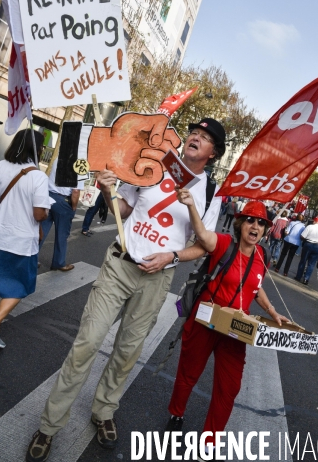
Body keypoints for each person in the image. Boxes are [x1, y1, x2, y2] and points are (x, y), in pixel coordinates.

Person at [26, 117, 225, 462]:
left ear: (213, 153)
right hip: (120, 264)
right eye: (194, 131)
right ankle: (49, 424)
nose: (195, 137)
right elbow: (124, 208)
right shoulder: (155, 162)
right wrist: (107, 189)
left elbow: (204, 245)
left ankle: (103, 411)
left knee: (127, 351)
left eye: (205, 137)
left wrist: (171, 256)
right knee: (87, 342)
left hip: (156, 279)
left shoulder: (210, 192)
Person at [165, 197, 290, 461]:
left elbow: (254, 288)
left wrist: (272, 312)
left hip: (235, 329)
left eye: (261, 223)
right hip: (205, 320)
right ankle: (176, 413)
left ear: (266, 229)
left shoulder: (262, 256)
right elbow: (201, 234)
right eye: (250, 220)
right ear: (240, 224)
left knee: (229, 387)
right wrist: (190, 205)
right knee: (189, 373)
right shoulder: (223, 244)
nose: (255, 226)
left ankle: (210, 440)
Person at [0, 129, 49, 348]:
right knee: (20, 285)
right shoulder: (38, 177)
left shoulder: (1, 167)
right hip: (21, 241)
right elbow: (38, 214)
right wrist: (46, 212)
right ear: (37, 149)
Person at [40, 158, 83, 271]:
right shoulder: (81, 163)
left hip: (48, 196)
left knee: (41, 231)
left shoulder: (58, 157)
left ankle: (30, 259)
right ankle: (58, 263)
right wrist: (73, 207)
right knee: (62, 235)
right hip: (63, 201)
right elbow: (76, 191)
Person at [295, 217, 318, 285]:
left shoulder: (309, 227)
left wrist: (304, 240)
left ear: (315, 221)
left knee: (303, 261)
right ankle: (306, 279)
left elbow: (302, 236)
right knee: (311, 264)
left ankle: (298, 276)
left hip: (308, 244)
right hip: (317, 246)